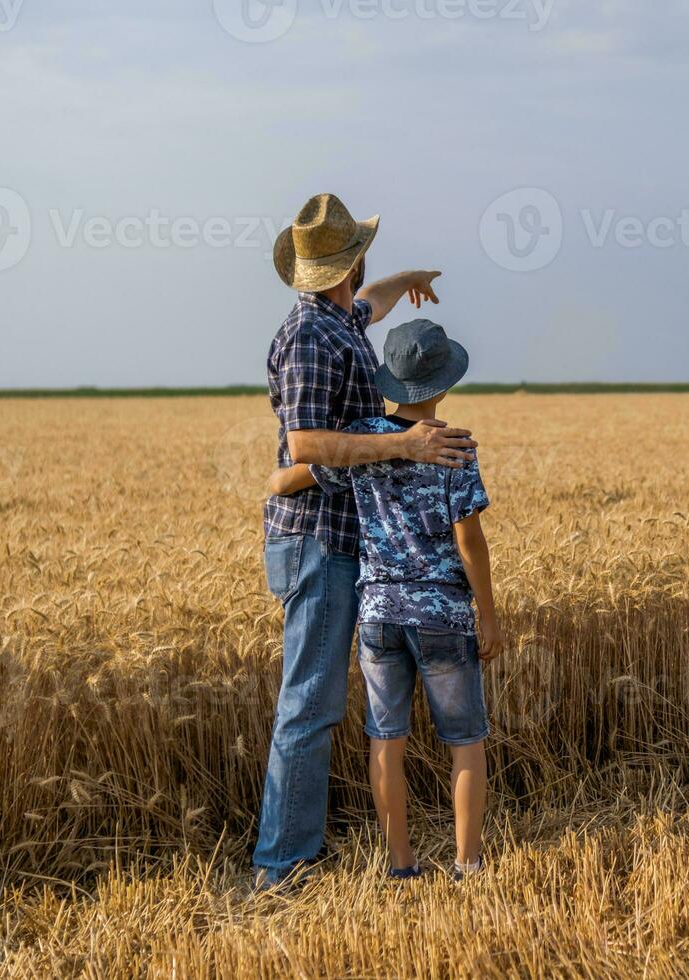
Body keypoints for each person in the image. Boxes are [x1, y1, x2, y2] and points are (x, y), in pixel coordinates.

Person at [255, 193, 477, 891]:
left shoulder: (339, 318)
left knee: (320, 703)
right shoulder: (309, 339)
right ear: (349, 261)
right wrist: (402, 444)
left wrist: (404, 278)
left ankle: (297, 851)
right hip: (317, 540)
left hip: (338, 536)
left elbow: (371, 304)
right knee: (311, 703)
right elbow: (304, 443)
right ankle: (281, 865)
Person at [267, 319, 503, 880]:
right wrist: (488, 615)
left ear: (390, 381)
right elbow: (470, 541)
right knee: (465, 741)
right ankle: (466, 865)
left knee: (385, 739)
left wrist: (296, 475)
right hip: (442, 615)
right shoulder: (454, 447)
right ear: (444, 384)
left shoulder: (364, 440)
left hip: (377, 614)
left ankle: (402, 866)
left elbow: (281, 483)